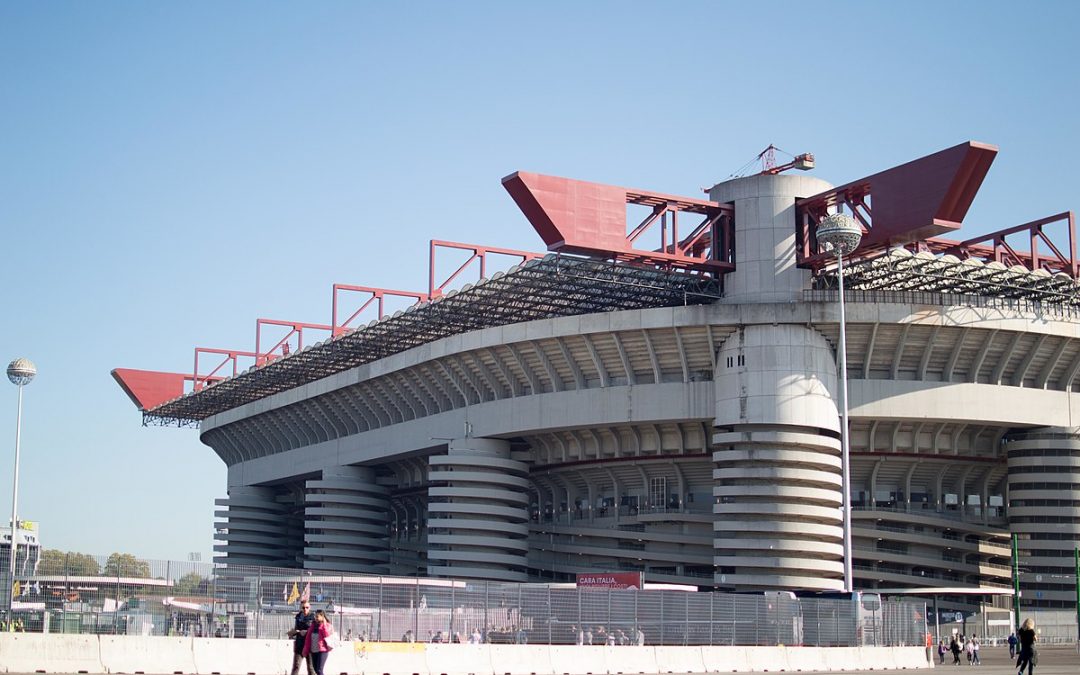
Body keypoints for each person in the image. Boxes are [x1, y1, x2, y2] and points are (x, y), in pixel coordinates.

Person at [302, 609, 335, 675]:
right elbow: (308, 639)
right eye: (315, 616)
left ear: (322, 617)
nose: (315, 618)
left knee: (319, 670)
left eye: (317, 616)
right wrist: (305, 650)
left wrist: (324, 625)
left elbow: (327, 636)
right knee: (316, 670)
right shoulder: (313, 626)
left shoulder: (328, 626)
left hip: (322, 650)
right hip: (314, 650)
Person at [288, 602, 315, 675]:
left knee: (311, 668)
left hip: (309, 645)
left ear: (310, 608)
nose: (305, 609)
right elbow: (297, 628)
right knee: (296, 666)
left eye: (307, 607)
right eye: (303, 607)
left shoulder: (313, 617)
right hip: (299, 645)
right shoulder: (298, 616)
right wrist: (292, 633)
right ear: (301, 608)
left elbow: (315, 631)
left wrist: (306, 632)